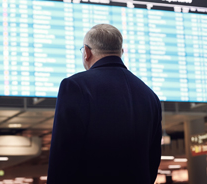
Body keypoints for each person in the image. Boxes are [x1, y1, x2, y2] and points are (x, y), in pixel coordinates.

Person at [47, 24, 162, 184]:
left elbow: (63, 155)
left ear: (86, 52)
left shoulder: (75, 86)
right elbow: (153, 161)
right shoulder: (150, 96)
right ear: (121, 52)